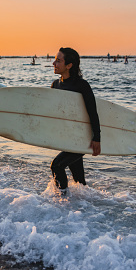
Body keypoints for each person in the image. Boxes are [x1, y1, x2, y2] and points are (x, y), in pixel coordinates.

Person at [50, 47, 101, 191]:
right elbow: (51, 113)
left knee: (57, 165)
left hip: (82, 137)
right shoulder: (55, 85)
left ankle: (62, 202)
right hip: (67, 138)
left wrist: (96, 138)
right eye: (55, 60)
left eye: (58, 61)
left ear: (69, 65)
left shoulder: (81, 85)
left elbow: (93, 113)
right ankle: (86, 207)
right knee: (79, 181)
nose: (54, 63)